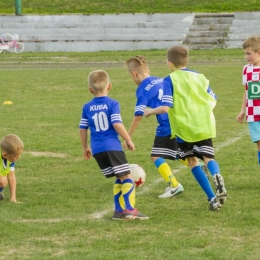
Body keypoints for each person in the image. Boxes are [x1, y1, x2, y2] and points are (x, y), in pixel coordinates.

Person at [144, 45, 227, 211]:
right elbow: (213, 98)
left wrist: (149, 111)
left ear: (169, 63)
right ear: (186, 60)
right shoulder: (200, 77)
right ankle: (216, 175)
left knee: (192, 161)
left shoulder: (169, 80)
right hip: (203, 124)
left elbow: (166, 106)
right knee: (209, 158)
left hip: (183, 127)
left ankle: (212, 199)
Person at [125, 55, 208, 199]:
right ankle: (199, 166)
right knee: (177, 152)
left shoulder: (142, 90)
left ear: (134, 74)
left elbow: (138, 115)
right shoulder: (161, 79)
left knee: (156, 156)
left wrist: (128, 136)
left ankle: (174, 185)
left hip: (166, 125)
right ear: (148, 70)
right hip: (181, 121)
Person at [79, 69, 148, 220]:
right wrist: (128, 139)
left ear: (90, 90)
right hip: (112, 147)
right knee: (127, 177)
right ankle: (129, 209)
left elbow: (83, 129)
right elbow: (116, 123)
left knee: (119, 176)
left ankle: (118, 211)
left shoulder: (87, 107)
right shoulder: (112, 104)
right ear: (109, 86)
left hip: (97, 149)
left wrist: (85, 148)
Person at [237, 35, 260, 165]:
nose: (246, 57)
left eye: (248, 53)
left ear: (259, 52)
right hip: (253, 114)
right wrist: (242, 110)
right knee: (259, 144)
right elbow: (247, 91)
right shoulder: (246, 69)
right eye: (245, 53)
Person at [0, 134, 24, 202]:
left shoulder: (10, 160)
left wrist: (13, 198)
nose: (18, 157)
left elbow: (11, 177)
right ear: (5, 155)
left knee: (3, 180)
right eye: (16, 156)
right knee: (2, 180)